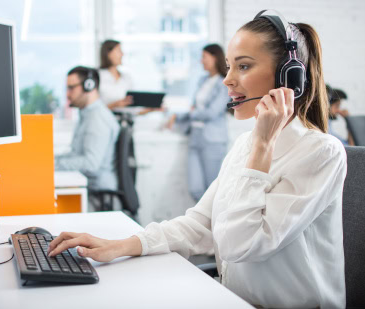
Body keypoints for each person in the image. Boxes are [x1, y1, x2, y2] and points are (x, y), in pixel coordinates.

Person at [49, 11, 347, 308]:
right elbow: (200, 224)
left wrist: (262, 147)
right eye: (229, 67)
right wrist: (120, 245)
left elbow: (238, 246)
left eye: (243, 66)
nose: (228, 80)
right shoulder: (246, 144)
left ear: (289, 77)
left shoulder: (321, 154)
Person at [166, 44, 230, 201]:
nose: (201, 61)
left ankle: (215, 225)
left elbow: (212, 112)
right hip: (195, 137)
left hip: (213, 140)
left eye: (204, 57)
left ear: (215, 58)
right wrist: (177, 115)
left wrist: (192, 112)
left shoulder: (224, 83)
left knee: (213, 189)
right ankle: (203, 223)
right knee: (195, 189)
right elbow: (194, 109)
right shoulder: (202, 80)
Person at [55, 66, 120, 193]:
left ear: (89, 86)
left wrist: (53, 165)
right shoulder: (87, 115)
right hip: (89, 188)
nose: (67, 94)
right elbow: (75, 155)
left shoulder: (97, 119)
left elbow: (91, 164)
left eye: (71, 88)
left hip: (98, 195)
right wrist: (50, 161)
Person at [98, 40, 133, 110]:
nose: (122, 54)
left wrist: (151, 109)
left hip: (126, 119)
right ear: (108, 53)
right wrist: (115, 105)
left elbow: (132, 110)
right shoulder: (97, 76)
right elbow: (92, 109)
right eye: (119, 51)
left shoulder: (126, 77)